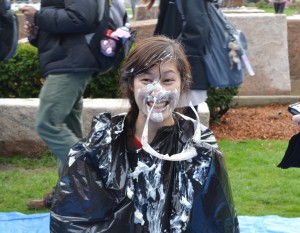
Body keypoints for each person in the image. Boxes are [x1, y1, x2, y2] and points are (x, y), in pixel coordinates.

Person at [50, 36, 239, 232]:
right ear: (132, 84)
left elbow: (214, 223)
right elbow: (75, 221)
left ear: (182, 84)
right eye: (146, 80)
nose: (157, 91)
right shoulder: (100, 147)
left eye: (168, 80)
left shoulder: (199, 150)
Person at [19, 0, 101, 209]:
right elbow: (68, 23)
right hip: (67, 59)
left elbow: (82, 18)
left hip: (71, 62)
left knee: (48, 124)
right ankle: (72, 194)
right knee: (68, 126)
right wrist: (39, 31)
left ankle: (94, 183)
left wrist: (39, 16)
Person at [143, 0, 210, 119]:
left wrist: (168, 55)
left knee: (181, 128)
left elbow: (196, 31)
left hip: (182, 74)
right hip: (174, 73)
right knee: (171, 128)